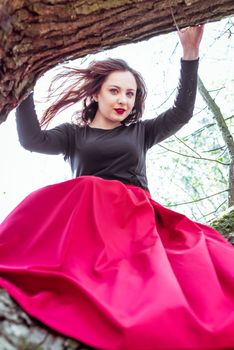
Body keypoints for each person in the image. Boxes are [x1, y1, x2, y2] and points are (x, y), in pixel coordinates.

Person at [0, 25, 234, 350]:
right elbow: (32, 140)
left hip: (134, 219)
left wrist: (190, 55)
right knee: (79, 190)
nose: (123, 99)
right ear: (95, 93)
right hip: (89, 219)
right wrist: (25, 88)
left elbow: (181, 112)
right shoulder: (73, 135)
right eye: (115, 91)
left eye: (130, 93)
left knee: (199, 265)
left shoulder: (141, 132)